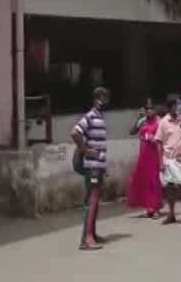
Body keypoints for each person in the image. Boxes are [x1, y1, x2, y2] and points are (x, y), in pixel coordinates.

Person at [71, 87, 110, 251]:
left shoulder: (100, 117)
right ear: (97, 99)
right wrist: (86, 150)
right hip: (92, 168)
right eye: (103, 98)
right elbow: (75, 132)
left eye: (106, 98)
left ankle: (92, 234)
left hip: (98, 167)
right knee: (91, 202)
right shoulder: (91, 116)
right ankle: (86, 240)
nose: (106, 101)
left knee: (95, 202)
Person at [154, 94, 181, 225]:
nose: (178, 107)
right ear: (170, 107)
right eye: (175, 105)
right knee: (169, 187)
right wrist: (160, 162)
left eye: (178, 104)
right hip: (168, 159)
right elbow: (158, 142)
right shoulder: (163, 122)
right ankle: (171, 214)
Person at [126, 100, 163, 218]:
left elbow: (163, 139)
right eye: (147, 109)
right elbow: (132, 132)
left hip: (154, 155)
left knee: (154, 182)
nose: (149, 111)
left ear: (155, 110)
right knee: (144, 181)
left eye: (151, 108)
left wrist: (154, 139)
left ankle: (156, 208)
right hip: (143, 155)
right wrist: (138, 118)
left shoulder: (160, 122)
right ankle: (149, 207)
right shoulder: (142, 120)